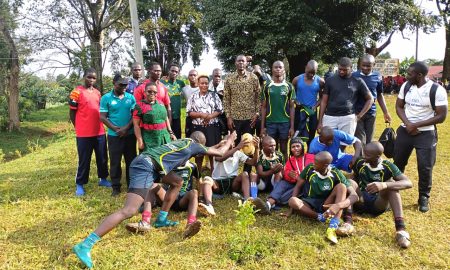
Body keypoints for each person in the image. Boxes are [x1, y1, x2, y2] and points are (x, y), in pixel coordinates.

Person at [72, 131, 238, 269]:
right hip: (146, 166)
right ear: (198, 142)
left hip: (151, 164)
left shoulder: (182, 143)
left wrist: (221, 143)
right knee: (128, 211)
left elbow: (210, 149)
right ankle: (86, 244)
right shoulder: (193, 145)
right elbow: (220, 152)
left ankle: (162, 219)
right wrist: (231, 138)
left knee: (177, 181)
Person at [394, 61, 448, 212]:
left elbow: (442, 116)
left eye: (410, 74)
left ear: (419, 75)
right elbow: (399, 106)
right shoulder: (406, 86)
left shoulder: (436, 90)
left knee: (425, 167)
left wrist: (416, 125)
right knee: (397, 163)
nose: (407, 76)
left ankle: (423, 197)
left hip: (426, 133)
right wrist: (408, 124)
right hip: (406, 130)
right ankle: (392, 192)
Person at [339, 142, 412, 248]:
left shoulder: (388, 166)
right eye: (364, 153)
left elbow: (408, 183)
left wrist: (384, 185)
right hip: (361, 201)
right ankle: (348, 222)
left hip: (378, 203)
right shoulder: (360, 162)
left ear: (377, 156)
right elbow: (354, 177)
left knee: (393, 189)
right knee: (350, 182)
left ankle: (401, 230)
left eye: (367, 155)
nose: (364, 156)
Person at [288, 151, 358, 244]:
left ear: (325, 165)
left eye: (316, 163)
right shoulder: (309, 168)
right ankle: (320, 217)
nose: (313, 164)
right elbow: (298, 185)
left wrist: (338, 205)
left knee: (342, 186)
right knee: (293, 201)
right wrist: (291, 209)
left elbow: (354, 196)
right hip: (309, 203)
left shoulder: (335, 172)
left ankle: (334, 224)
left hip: (326, 204)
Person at [126, 160, 202, 238]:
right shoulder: (168, 164)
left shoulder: (192, 166)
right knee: (153, 186)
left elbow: (199, 181)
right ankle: (145, 221)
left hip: (182, 199)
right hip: (167, 197)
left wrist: (200, 198)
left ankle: (190, 224)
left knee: (194, 192)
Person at [69, 68, 110, 196]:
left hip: (99, 132)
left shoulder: (98, 93)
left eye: (93, 78)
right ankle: (80, 184)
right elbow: (72, 112)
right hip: (83, 134)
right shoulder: (76, 93)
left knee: (102, 157)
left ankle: (103, 179)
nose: (91, 80)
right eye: (89, 77)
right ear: (84, 77)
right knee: (84, 159)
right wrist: (78, 126)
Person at [198, 134, 260, 216]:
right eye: (225, 142)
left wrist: (257, 148)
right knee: (207, 179)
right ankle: (209, 205)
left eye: (230, 142)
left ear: (233, 144)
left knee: (244, 174)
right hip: (218, 184)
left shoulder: (237, 153)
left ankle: (246, 201)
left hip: (233, 183)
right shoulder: (217, 152)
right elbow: (220, 159)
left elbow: (253, 162)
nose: (227, 143)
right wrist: (237, 147)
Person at [100, 75, 137, 196]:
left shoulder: (130, 97)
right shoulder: (106, 98)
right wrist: (115, 129)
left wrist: (126, 128)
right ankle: (116, 187)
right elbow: (102, 117)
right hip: (114, 135)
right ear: (114, 83)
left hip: (130, 134)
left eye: (126, 85)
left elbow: (135, 115)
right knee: (115, 161)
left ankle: (131, 185)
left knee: (131, 161)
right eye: (121, 84)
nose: (124, 87)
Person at [252, 137, 310, 214]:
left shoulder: (311, 157)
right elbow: (285, 175)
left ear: (302, 146)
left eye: (298, 146)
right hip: (290, 183)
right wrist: (289, 175)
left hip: (304, 185)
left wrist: (297, 177)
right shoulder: (290, 161)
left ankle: (271, 203)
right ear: (290, 149)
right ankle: (267, 205)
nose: (296, 149)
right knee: (283, 183)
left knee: (282, 198)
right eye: (293, 147)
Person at [318, 57, 373, 136]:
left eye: (345, 70)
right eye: (340, 69)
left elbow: (370, 99)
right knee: (327, 142)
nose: (341, 72)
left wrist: (359, 116)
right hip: (330, 117)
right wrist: (320, 121)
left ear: (351, 68)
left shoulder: (358, 81)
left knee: (344, 143)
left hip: (348, 118)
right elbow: (324, 102)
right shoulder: (330, 80)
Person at [353, 54, 392, 146]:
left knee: (369, 141)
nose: (365, 68)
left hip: (371, 113)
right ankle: (361, 159)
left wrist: (386, 112)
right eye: (363, 65)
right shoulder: (353, 76)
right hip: (357, 113)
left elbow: (379, 95)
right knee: (360, 141)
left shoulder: (378, 76)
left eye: (368, 66)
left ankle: (368, 159)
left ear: (373, 65)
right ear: (360, 65)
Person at [187, 74, 223, 172]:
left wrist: (210, 116)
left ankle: (213, 173)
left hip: (212, 127)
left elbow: (220, 110)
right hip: (198, 128)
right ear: (198, 84)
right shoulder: (193, 96)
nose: (204, 85)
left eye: (206, 83)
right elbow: (189, 112)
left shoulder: (214, 95)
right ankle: (198, 174)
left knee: (212, 150)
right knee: (198, 152)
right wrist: (201, 115)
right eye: (202, 83)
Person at [260, 60, 295, 160]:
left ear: (284, 70)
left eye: (280, 67)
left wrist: (292, 127)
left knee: (284, 149)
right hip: (271, 122)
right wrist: (263, 127)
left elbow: (292, 107)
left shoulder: (289, 86)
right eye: (276, 67)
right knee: (272, 149)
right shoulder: (267, 86)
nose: (278, 69)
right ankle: (274, 171)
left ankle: (285, 171)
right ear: (272, 69)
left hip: (285, 122)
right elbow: (264, 107)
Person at [223, 55, 261, 144]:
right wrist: (228, 117)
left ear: (246, 63)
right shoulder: (229, 78)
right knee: (235, 144)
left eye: (243, 61)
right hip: (234, 118)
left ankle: (250, 158)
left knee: (248, 144)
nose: (241, 63)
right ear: (235, 63)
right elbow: (226, 99)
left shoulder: (253, 78)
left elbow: (258, 97)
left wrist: (257, 114)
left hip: (250, 119)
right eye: (239, 61)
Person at [133, 83, 176, 152]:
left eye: (155, 92)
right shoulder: (139, 106)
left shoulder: (160, 103)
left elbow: (165, 118)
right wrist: (140, 141)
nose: (152, 93)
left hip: (164, 137)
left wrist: (171, 133)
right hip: (149, 139)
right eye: (149, 91)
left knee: (165, 158)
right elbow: (136, 125)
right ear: (144, 92)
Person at [292, 60, 325, 146]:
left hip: (312, 111)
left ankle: (309, 155)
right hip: (299, 111)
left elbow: (322, 98)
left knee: (311, 134)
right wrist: (296, 101)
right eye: (309, 72)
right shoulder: (297, 80)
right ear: (305, 68)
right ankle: (295, 156)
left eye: (313, 73)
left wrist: (316, 105)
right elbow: (291, 95)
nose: (311, 75)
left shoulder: (320, 81)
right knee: (297, 135)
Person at [161, 63, 186, 139]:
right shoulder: (162, 83)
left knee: (177, 137)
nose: (174, 73)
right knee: (166, 138)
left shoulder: (180, 83)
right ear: (169, 71)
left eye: (176, 71)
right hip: (165, 115)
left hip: (177, 115)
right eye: (172, 71)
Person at [209, 68, 228, 136]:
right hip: (211, 115)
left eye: (219, 76)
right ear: (212, 76)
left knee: (225, 134)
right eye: (215, 76)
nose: (217, 78)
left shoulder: (226, 86)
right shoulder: (207, 87)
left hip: (224, 115)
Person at [182, 69, 199, 137]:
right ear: (188, 77)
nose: (192, 77)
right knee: (189, 137)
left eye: (194, 75)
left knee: (199, 137)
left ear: (197, 77)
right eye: (190, 75)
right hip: (189, 117)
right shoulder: (184, 89)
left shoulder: (202, 88)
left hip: (200, 117)